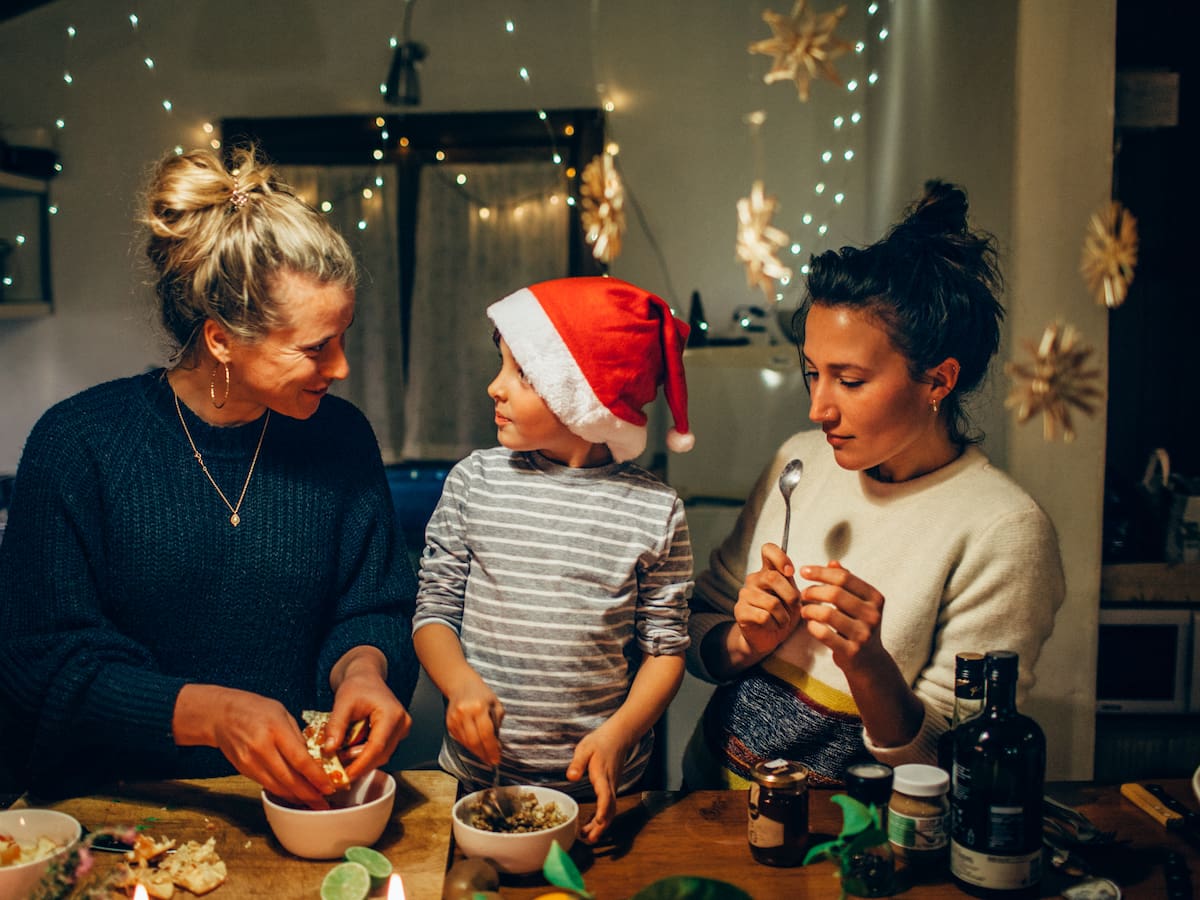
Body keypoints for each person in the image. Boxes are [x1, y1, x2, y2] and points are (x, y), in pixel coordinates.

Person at [0, 145, 418, 808]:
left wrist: (364, 671)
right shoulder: (77, 445)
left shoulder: (341, 439)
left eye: (343, 337)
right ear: (222, 339)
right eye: (315, 347)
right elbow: (40, 667)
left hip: (292, 809)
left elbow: (372, 604)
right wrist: (213, 715)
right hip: (114, 811)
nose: (339, 369)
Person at [682, 180, 1065, 789]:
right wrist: (745, 639)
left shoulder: (1004, 530)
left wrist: (867, 665)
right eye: (812, 373)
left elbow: (955, 761)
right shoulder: (799, 462)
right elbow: (699, 631)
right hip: (711, 801)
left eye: (850, 380)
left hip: (851, 841)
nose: (819, 409)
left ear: (937, 381)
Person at [413, 277, 694, 842]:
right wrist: (461, 685)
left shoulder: (656, 509)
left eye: (522, 373)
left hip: (601, 792)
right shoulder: (475, 481)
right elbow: (433, 611)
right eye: (501, 366)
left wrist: (619, 735)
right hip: (477, 782)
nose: (496, 387)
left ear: (582, 396)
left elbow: (664, 650)